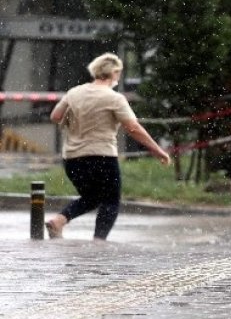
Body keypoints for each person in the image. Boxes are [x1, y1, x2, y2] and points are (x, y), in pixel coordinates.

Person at [45, 53, 172, 240]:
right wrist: (158, 151)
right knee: (111, 200)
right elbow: (133, 127)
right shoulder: (114, 98)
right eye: (118, 73)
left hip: (72, 158)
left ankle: (59, 221)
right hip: (101, 156)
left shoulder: (74, 92)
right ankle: (99, 241)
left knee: (92, 197)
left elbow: (55, 116)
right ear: (114, 73)